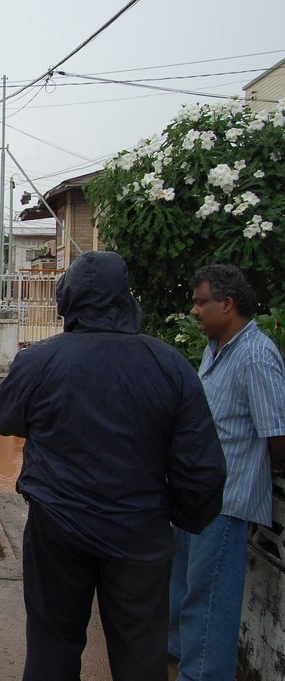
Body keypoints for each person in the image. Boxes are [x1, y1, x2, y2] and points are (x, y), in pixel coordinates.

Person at [0, 251, 226, 681]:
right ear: (126, 300)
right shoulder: (169, 366)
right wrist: (176, 521)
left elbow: (2, 415)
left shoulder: (41, 361)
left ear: (67, 300)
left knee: (52, 646)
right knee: (140, 656)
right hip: (140, 534)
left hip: (57, 529)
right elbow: (203, 469)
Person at [168, 264, 285, 681]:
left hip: (228, 499)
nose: (195, 311)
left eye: (201, 302)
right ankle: (180, 658)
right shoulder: (218, 348)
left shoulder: (256, 355)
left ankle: (203, 674)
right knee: (183, 589)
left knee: (210, 597)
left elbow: (277, 435)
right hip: (196, 495)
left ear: (228, 304)